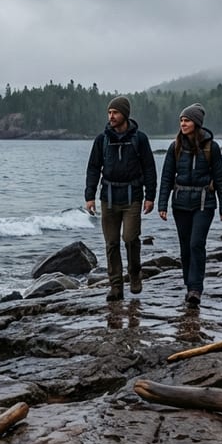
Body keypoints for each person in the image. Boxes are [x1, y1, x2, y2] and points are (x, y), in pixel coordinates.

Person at [156, 102, 222, 307]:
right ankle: (189, 286)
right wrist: (161, 204)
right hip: (180, 204)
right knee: (185, 247)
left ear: (196, 123)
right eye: (181, 120)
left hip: (204, 204)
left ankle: (196, 288)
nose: (183, 123)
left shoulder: (211, 147)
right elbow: (167, 178)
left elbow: (220, 178)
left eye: (186, 120)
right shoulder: (175, 147)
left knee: (197, 243)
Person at [85, 96, 157, 301]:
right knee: (111, 243)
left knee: (130, 238)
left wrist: (150, 196)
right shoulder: (102, 139)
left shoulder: (139, 139)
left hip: (132, 196)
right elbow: (93, 168)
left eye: (115, 112)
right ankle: (116, 286)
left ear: (125, 114)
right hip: (108, 197)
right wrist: (89, 196)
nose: (111, 116)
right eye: (109, 113)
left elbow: (149, 168)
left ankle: (135, 273)